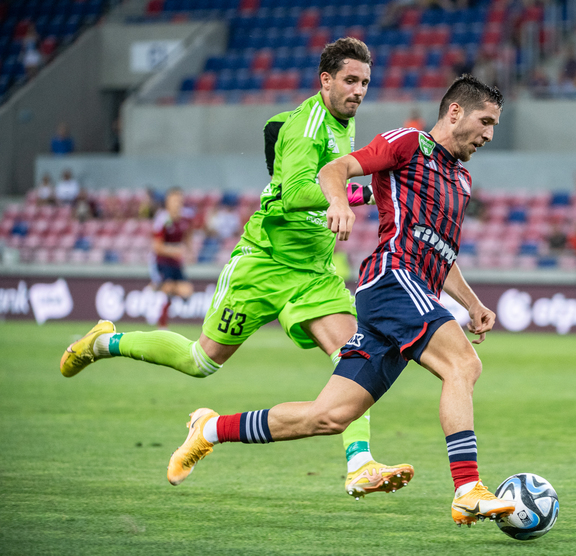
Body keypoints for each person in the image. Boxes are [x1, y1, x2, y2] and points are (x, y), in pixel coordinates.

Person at [59, 38, 412, 500]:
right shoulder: (307, 126)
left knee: (355, 358)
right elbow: (294, 193)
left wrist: (355, 194)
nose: (359, 90)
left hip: (313, 273)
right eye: (350, 80)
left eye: (365, 82)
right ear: (325, 80)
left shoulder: (342, 122)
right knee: (200, 361)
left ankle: (359, 464)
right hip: (263, 264)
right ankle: (103, 342)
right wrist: (351, 196)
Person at [164, 75, 516, 527]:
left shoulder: (461, 179)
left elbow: (440, 253)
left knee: (328, 416)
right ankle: (467, 489)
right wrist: (338, 203)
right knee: (463, 365)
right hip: (393, 280)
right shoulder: (407, 143)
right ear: (455, 112)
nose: (490, 134)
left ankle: (210, 429)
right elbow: (335, 170)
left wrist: (472, 303)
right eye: (485, 121)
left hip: (408, 291)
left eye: (494, 125)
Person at [148, 187, 194, 328]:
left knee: (187, 291)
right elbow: (157, 247)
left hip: (176, 263)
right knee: (168, 288)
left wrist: (190, 251)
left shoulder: (186, 218)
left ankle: (155, 288)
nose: (177, 203)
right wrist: (175, 250)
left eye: (179, 200)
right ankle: (162, 324)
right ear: (167, 202)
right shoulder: (162, 219)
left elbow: (188, 235)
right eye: (174, 200)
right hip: (161, 262)